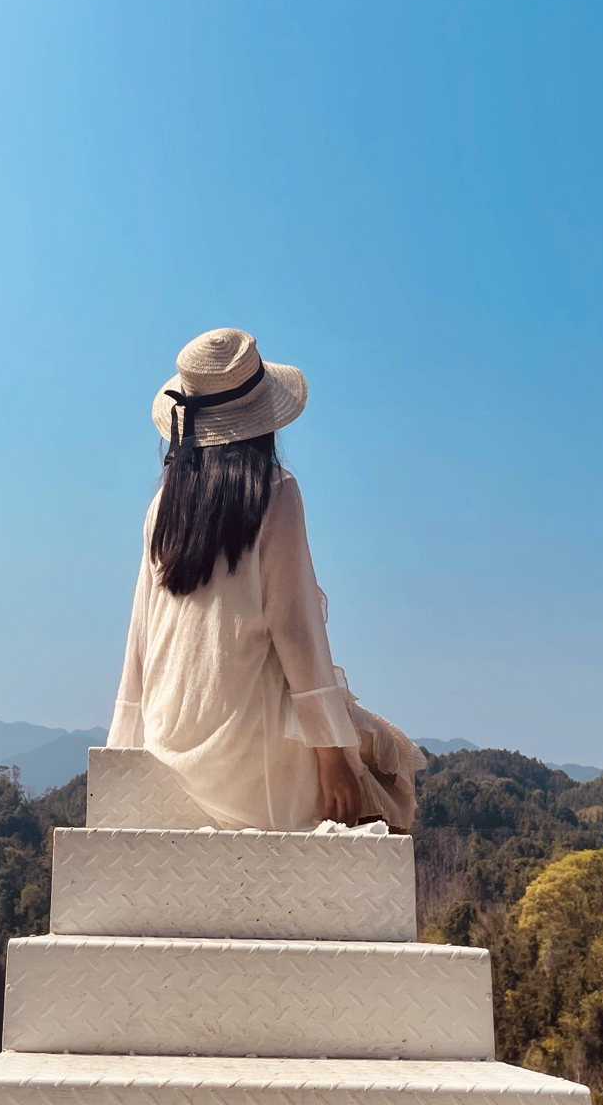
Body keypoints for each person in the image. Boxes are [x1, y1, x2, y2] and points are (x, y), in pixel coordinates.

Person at [109, 327, 424, 832]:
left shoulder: (160, 510)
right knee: (390, 766)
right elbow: (296, 630)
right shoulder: (275, 492)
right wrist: (331, 756)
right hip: (251, 769)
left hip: (167, 749)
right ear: (261, 421)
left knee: (360, 738)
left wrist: (124, 745)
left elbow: (140, 639)